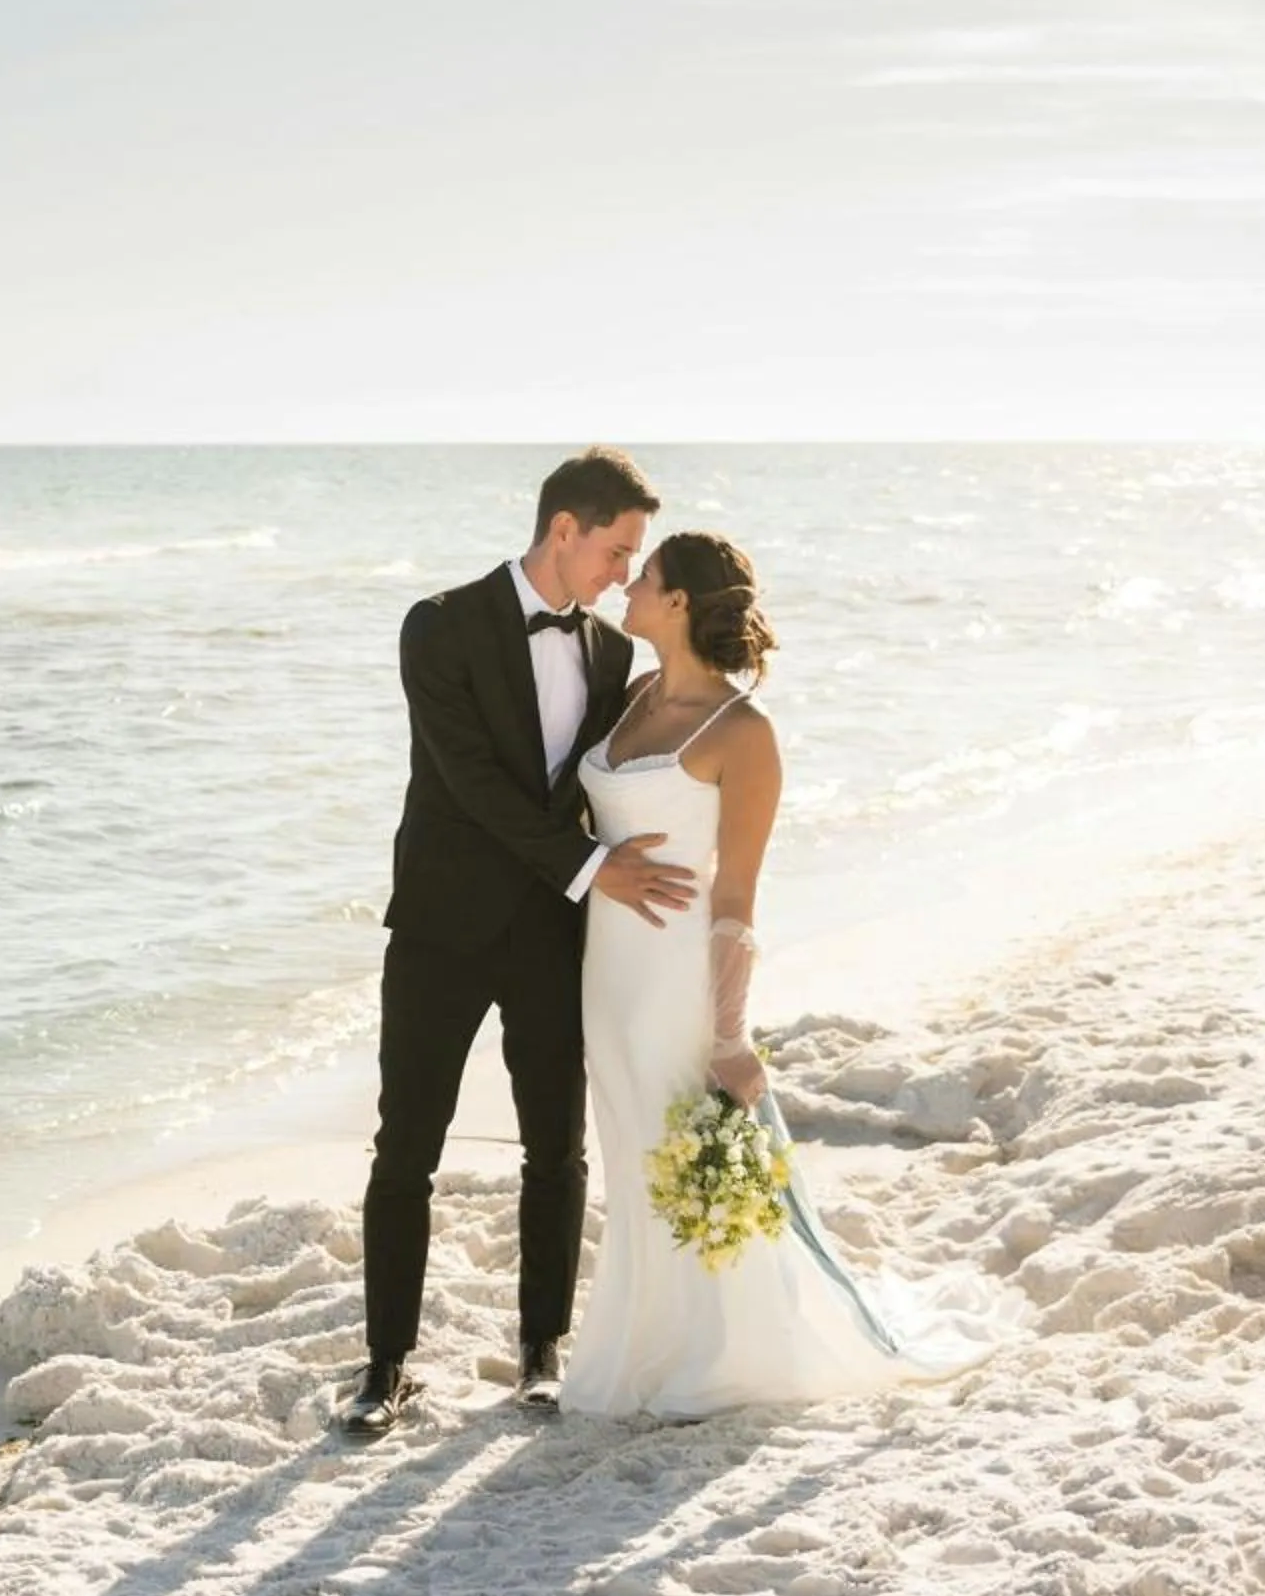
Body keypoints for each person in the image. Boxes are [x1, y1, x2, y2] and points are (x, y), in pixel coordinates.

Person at [559, 531, 1006, 1418]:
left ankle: (720, 1351)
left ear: (680, 601)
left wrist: (728, 1036)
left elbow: (736, 897)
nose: (628, 586)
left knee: (685, 1157)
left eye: (645, 577)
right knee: (631, 1151)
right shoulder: (635, 693)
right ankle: (643, 1338)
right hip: (605, 972)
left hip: (676, 980)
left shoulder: (744, 733)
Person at [340, 447, 695, 1437]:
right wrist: (591, 866)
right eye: (616, 551)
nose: (624, 573)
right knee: (405, 1145)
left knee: (556, 1144)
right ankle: (386, 1366)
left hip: (553, 934)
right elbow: (468, 781)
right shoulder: (439, 626)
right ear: (564, 530)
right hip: (440, 930)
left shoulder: (615, 657)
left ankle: (542, 1353)